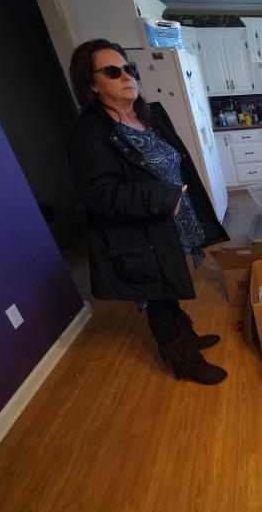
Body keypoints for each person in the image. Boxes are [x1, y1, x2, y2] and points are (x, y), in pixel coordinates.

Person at [67, 39, 229, 385]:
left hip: (169, 225)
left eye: (129, 69)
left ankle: (186, 336)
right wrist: (161, 198)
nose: (126, 76)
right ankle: (184, 360)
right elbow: (100, 195)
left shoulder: (147, 115)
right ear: (92, 83)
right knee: (158, 295)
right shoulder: (91, 132)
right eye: (113, 71)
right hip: (139, 234)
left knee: (169, 286)